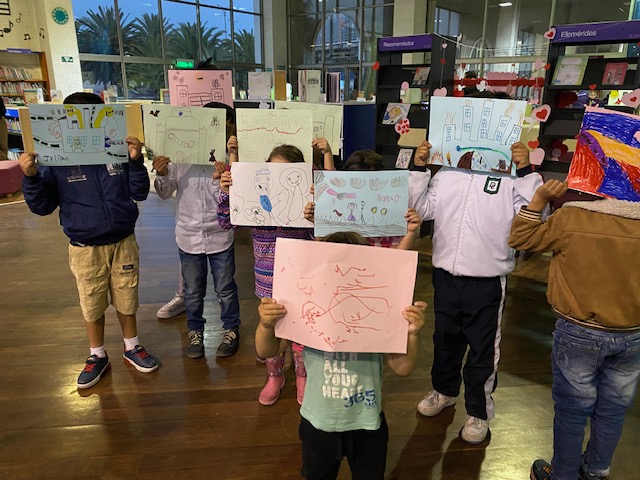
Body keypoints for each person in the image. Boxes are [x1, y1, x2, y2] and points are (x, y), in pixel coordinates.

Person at [255, 230, 427, 480]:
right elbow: (267, 350)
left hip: (367, 423)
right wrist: (266, 325)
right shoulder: (306, 314)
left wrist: (411, 335)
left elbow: (402, 368)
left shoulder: (378, 318)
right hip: (318, 423)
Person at [19, 92, 158, 389]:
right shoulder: (57, 160)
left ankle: (132, 346)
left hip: (123, 239)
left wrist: (135, 163)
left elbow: (139, 193)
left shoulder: (117, 151)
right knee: (91, 301)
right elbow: (42, 206)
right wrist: (30, 177)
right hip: (84, 245)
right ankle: (97, 354)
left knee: (127, 294)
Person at [411, 136, 544, 443]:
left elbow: (536, 214)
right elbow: (421, 209)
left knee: (483, 347)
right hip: (445, 274)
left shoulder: (511, 176)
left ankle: (478, 410)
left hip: (487, 279)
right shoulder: (448, 172)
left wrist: (524, 171)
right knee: (445, 338)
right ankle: (444, 390)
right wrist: (419, 169)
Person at [507, 179, 640, 480]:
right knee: (613, 408)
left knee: (572, 411)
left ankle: (563, 475)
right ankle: (595, 471)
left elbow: (520, 238)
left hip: (579, 331)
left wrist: (540, 198)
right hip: (633, 334)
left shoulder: (573, 217)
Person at [218, 137, 335, 406]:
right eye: (272, 171)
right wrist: (228, 191)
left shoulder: (309, 202)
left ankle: (302, 373)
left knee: (303, 327)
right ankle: (275, 374)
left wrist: (316, 219)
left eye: (285, 172)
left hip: (304, 276)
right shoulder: (257, 198)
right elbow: (226, 222)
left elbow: (326, 239)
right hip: (268, 277)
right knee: (272, 325)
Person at [153, 102, 241, 359]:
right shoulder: (181, 155)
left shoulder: (229, 158)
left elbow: (241, 199)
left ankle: (231, 328)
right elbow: (166, 193)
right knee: (192, 291)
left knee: (225, 287)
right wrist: (161, 174)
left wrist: (233, 159)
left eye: (226, 128)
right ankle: (195, 331)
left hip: (220, 233)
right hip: (188, 233)